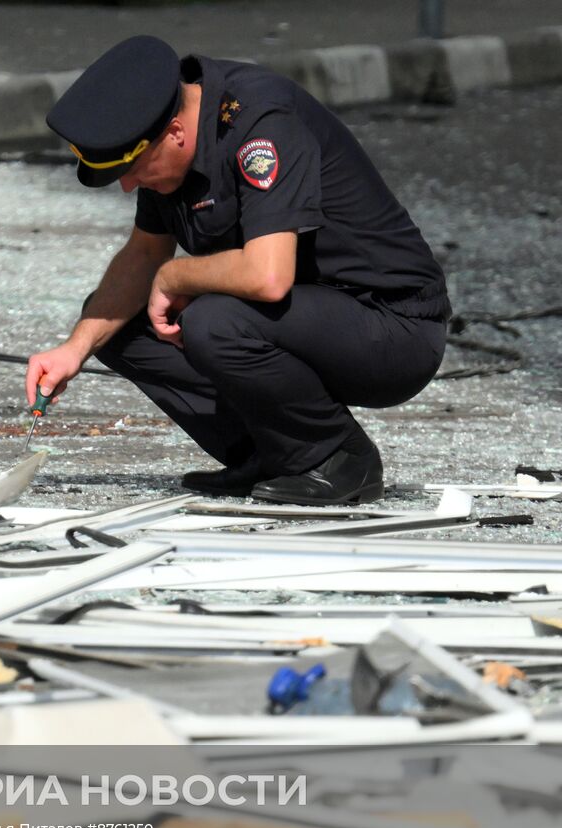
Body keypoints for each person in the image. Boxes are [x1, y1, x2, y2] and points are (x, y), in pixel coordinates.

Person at [27, 35, 452, 505]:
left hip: (392, 328)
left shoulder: (260, 123)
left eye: (133, 169)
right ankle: (269, 454)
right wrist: (75, 348)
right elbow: (145, 255)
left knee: (213, 320)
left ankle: (338, 459)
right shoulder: (165, 129)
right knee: (113, 323)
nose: (128, 185)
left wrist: (174, 278)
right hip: (307, 319)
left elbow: (266, 278)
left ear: (174, 134)